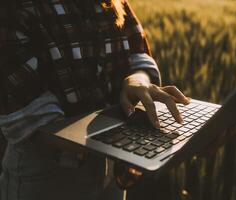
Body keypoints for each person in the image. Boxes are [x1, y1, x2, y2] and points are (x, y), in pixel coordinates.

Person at [0, 0, 190, 199]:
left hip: (111, 169)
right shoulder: (15, 7)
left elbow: (137, 52)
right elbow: (34, 119)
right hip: (48, 176)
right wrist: (148, 143)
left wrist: (136, 80)